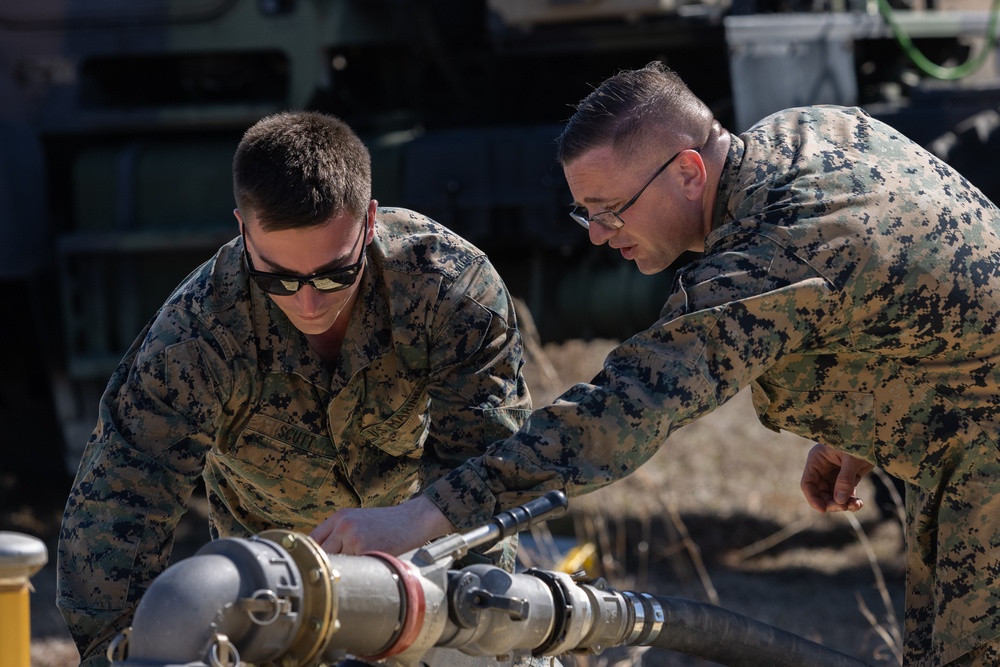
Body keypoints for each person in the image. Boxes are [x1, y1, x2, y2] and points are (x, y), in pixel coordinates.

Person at [317, 62, 1000, 666]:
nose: (595, 234)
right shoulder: (807, 131)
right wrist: (867, 420)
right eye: (583, 212)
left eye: (610, 210)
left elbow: (623, 410)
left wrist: (423, 515)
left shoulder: (773, 253)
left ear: (688, 172)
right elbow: (921, 280)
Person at [56, 110, 537, 666]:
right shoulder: (197, 335)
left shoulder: (450, 291)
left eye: (335, 273)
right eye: (277, 278)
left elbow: (482, 471)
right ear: (242, 229)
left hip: (424, 567)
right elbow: (117, 507)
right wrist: (126, 653)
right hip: (271, 594)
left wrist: (476, 629)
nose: (309, 303)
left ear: (370, 220)